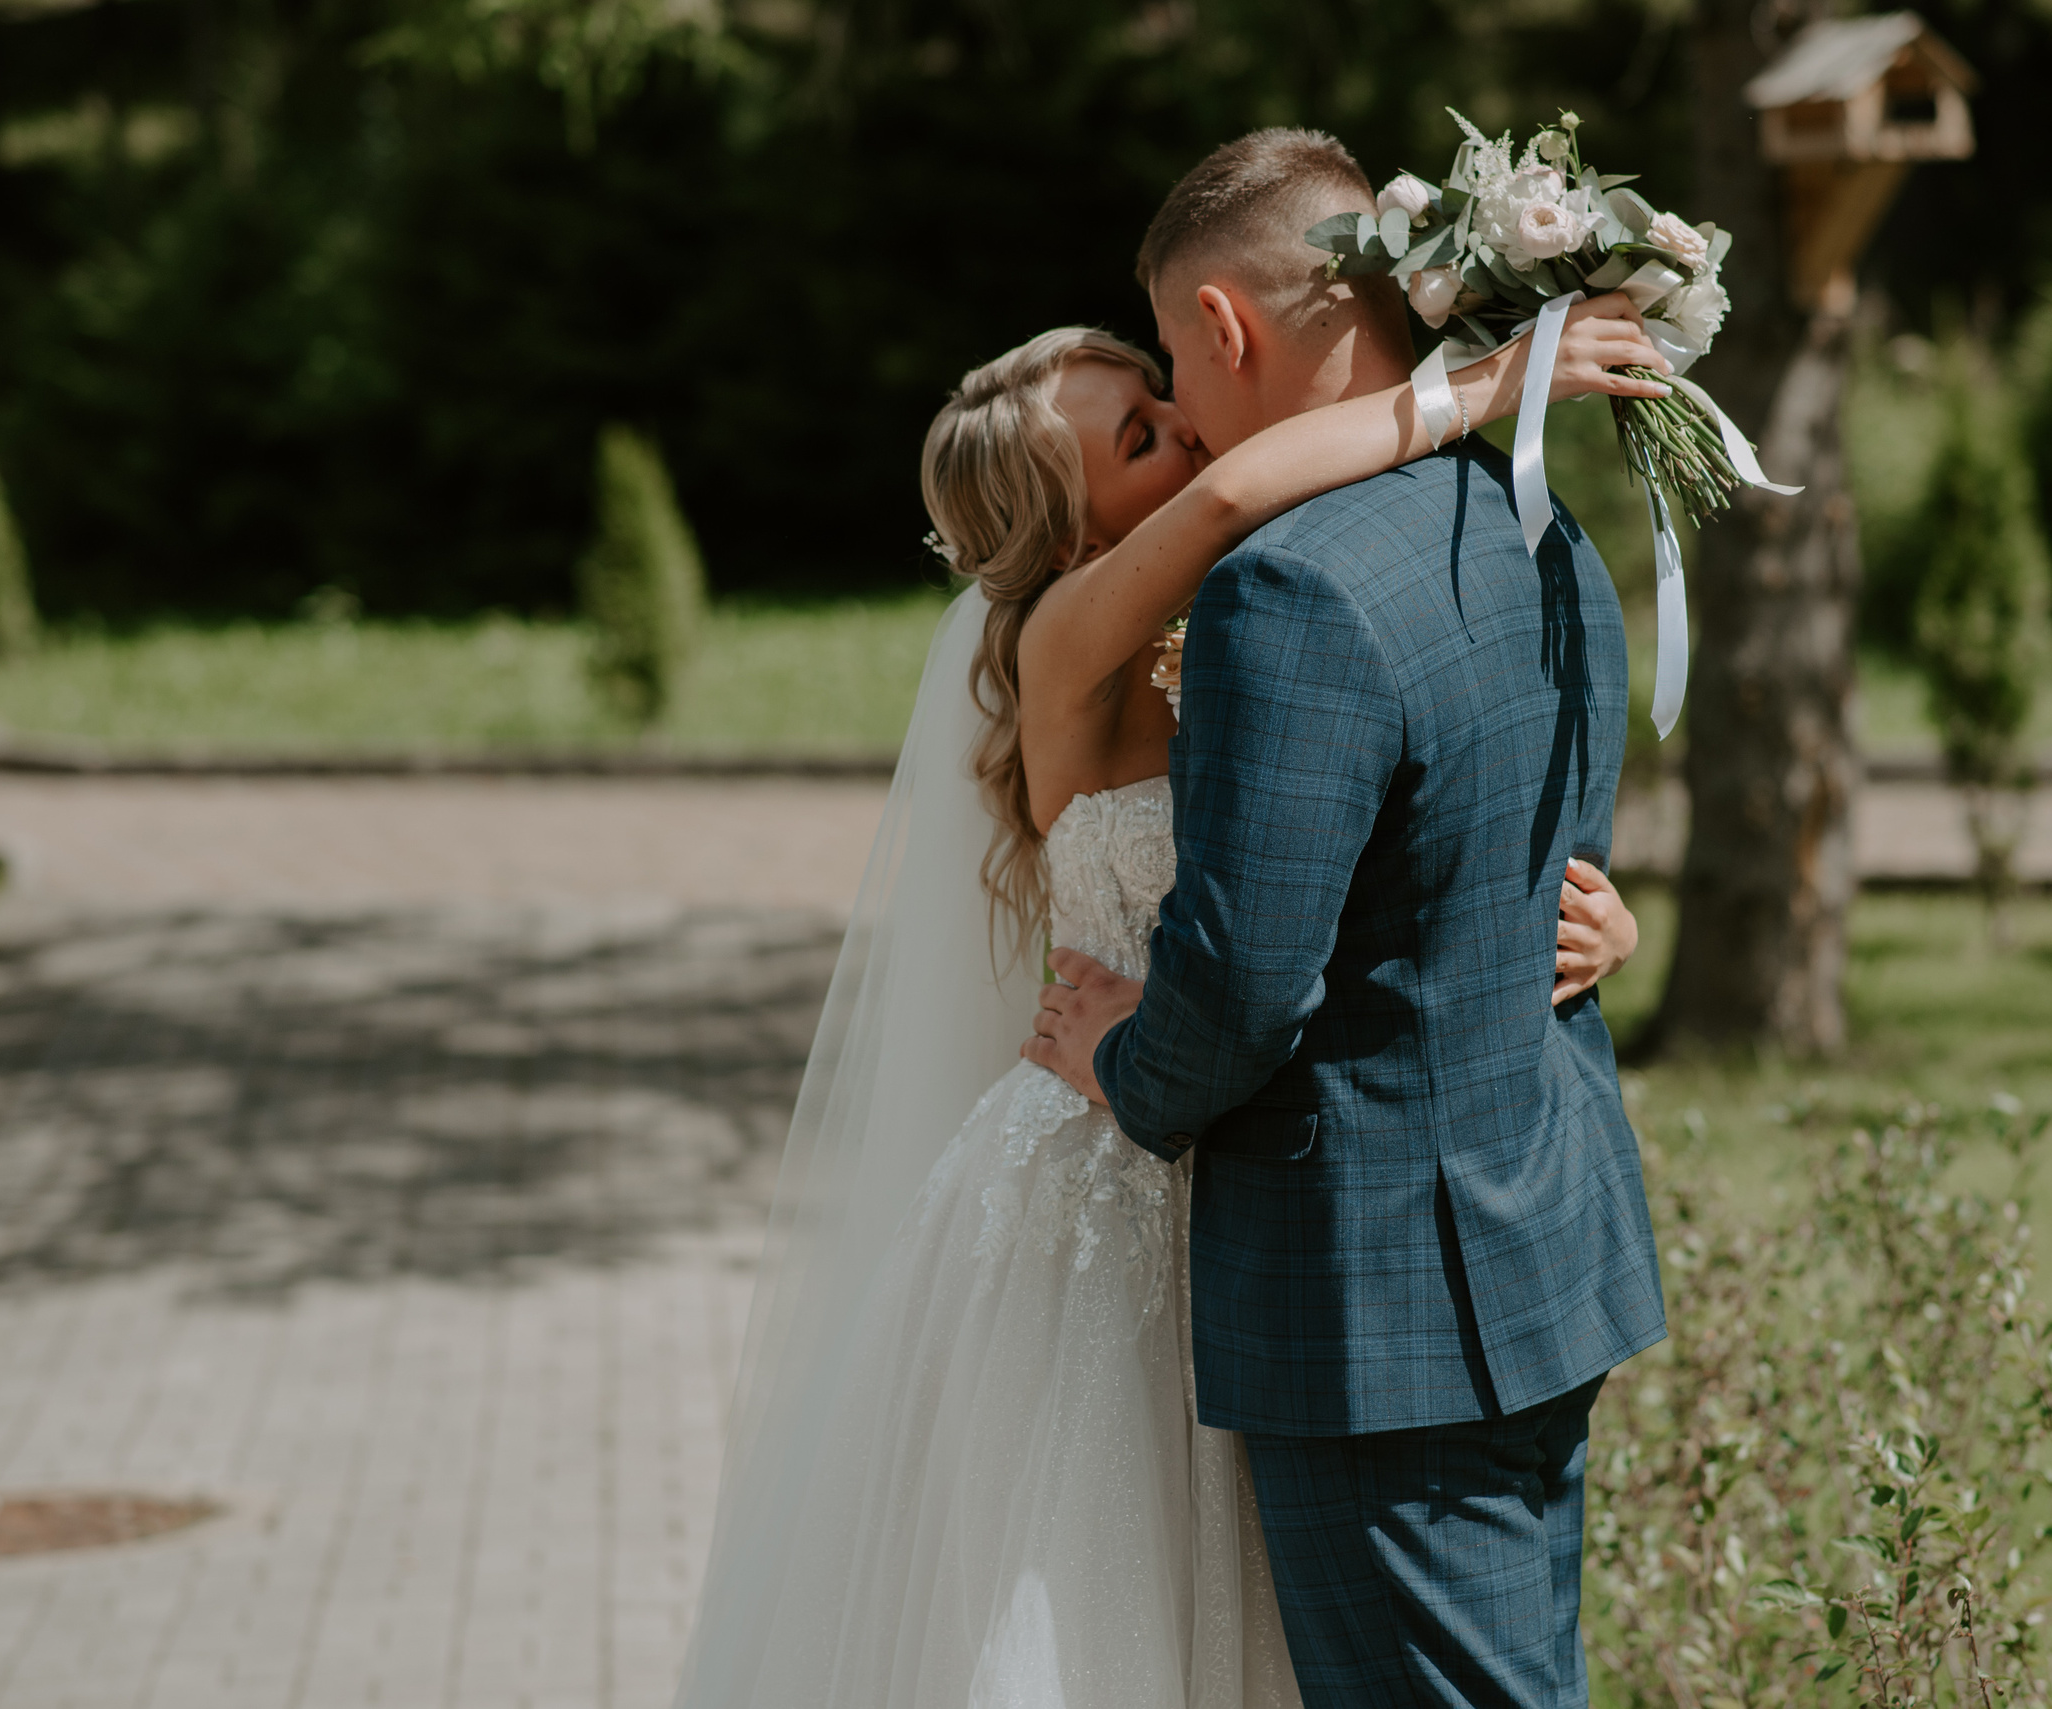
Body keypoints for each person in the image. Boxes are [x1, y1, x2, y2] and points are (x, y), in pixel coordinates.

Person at [671, 132, 1668, 1709]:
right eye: (1137, 434)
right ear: (1071, 525)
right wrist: (1472, 394)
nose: (1184, 430)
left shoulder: (1273, 616)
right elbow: (1228, 496)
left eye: (1163, 398)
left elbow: (1389, 859)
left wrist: (1580, 930)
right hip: (1122, 1166)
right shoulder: (1076, 637)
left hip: (1244, 1182)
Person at [1024, 129, 1672, 1709]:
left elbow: (1245, 985)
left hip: (1383, 1309)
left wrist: (1122, 1061)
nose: (1184, 396)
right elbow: (1516, 874)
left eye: (1178, 352)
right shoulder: (1539, 523)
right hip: (1543, 1250)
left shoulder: (1287, 587)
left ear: (1228, 328)